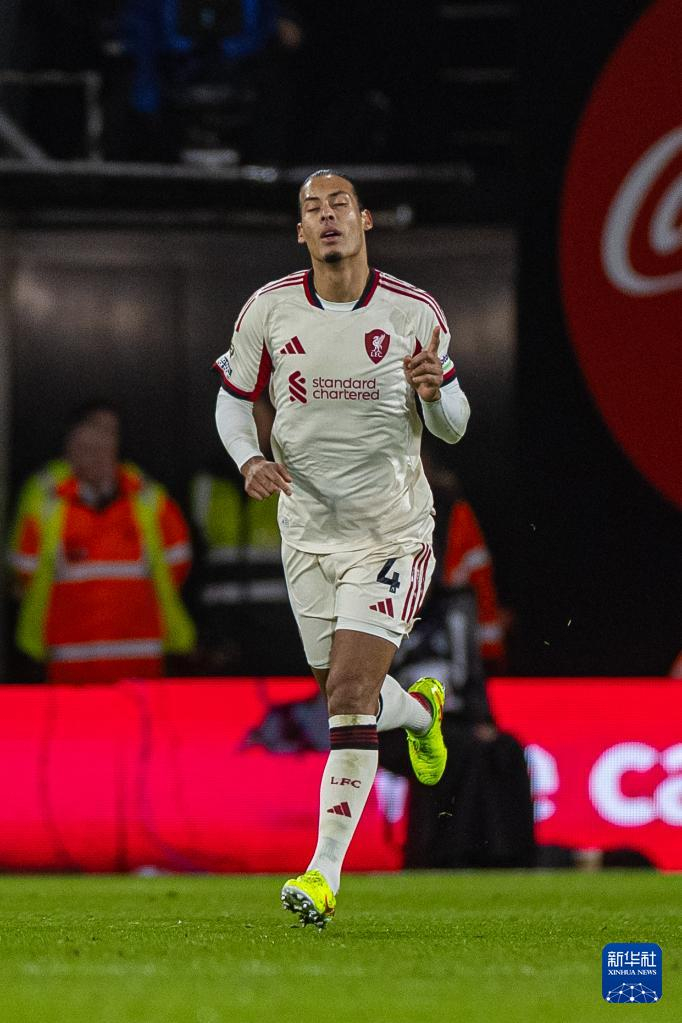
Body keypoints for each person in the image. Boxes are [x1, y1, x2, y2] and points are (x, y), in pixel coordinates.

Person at [213, 168, 470, 927]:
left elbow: (454, 424)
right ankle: (419, 714)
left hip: (391, 532)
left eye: (339, 206)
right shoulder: (269, 309)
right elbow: (232, 403)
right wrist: (248, 460)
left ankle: (322, 873)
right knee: (343, 695)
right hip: (306, 533)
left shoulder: (413, 312)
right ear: (301, 231)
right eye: (312, 210)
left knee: (351, 698)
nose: (327, 218)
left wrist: (433, 394)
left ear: (364, 221)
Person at [9, 406, 195, 683]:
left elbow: (178, 566)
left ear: (115, 449)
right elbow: (23, 573)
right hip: (70, 663)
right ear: (70, 452)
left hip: (139, 663)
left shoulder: (149, 499)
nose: (94, 456)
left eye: (101, 447)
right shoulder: (47, 502)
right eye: (84, 449)